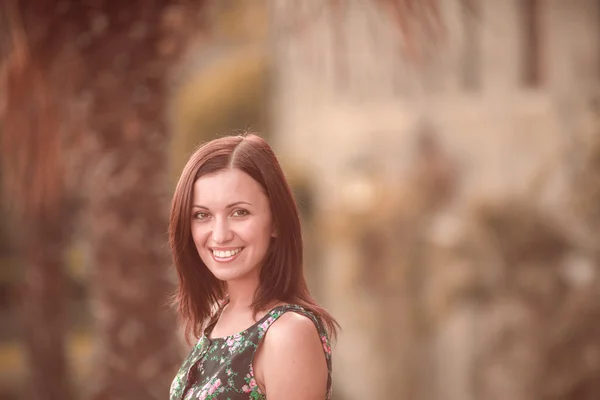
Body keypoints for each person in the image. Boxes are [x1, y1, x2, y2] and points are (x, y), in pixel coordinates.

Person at [168, 133, 339, 400]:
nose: (220, 234)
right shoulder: (216, 317)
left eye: (239, 212)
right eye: (202, 215)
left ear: (276, 222)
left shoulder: (288, 334)